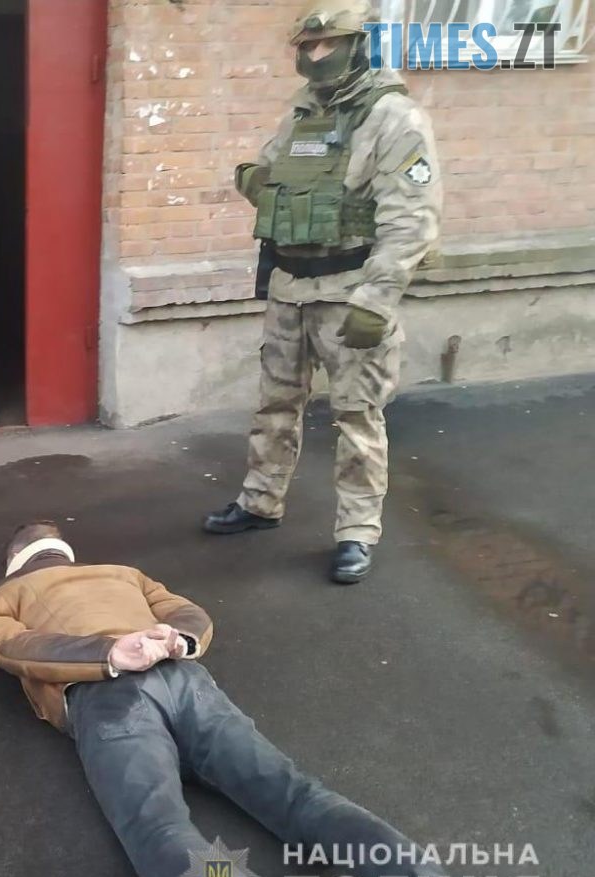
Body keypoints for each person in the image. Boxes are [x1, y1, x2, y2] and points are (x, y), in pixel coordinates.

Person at [0, 522, 509, 877]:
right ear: (66, 552)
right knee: (300, 797)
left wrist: (108, 653)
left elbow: (10, 646)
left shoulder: (4, 596)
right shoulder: (123, 573)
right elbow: (189, 614)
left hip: (107, 697)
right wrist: (178, 639)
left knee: (161, 830)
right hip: (184, 679)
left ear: (14, 563)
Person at [203, 0, 442, 585]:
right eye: (307, 47)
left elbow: (412, 219)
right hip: (290, 286)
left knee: (357, 414)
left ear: (356, 46)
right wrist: (259, 183)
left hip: (349, 291)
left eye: (328, 44)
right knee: (275, 405)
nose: (316, 54)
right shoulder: (301, 113)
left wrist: (377, 299)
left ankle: (357, 531)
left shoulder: (393, 116)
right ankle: (260, 501)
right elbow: (268, 172)